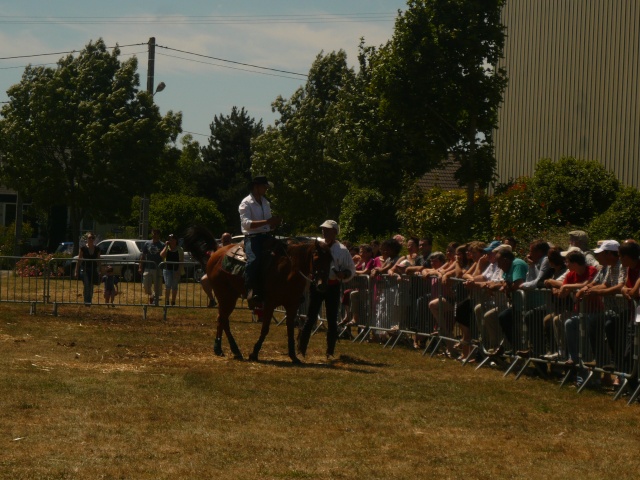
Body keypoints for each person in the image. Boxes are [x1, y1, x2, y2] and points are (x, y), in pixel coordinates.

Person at [298, 220, 356, 360]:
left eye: (328, 230)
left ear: (335, 232)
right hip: (317, 285)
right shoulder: (316, 245)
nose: (325, 232)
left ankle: (330, 352)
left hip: (333, 285)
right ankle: (301, 349)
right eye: (323, 229)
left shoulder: (342, 250)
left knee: (332, 320)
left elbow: (351, 269)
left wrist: (344, 274)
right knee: (310, 318)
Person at [238, 175, 282, 307]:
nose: (266, 189)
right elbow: (246, 224)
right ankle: (249, 288)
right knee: (254, 260)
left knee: (284, 252)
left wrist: (274, 223)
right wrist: (268, 222)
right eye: (264, 186)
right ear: (256, 187)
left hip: (266, 235)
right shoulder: (245, 203)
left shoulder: (265, 202)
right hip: (253, 237)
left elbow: (268, 223)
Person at [138, 228, 164, 305]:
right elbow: (143, 255)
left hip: (157, 268)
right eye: (152, 233)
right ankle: (152, 295)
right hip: (148, 267)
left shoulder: (162, 245)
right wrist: (140, 266)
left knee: (157, 285)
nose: (153, 235)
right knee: (145, 285)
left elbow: (163, 257)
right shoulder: (147, 243)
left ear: (158, 235)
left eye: (155, 233)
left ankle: (155, 300)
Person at [75, 232, 101, 306]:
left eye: (93, 238)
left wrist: (100, 270)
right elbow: (79, 260)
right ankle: (86, 302)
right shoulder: (83, 248)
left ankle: (89, 301)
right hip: (85, 269)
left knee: (91, 286)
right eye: (90, 238)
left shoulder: (97, 249)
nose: (91, 239)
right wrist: (76, 271)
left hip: (93, 269)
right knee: (87, 285)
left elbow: (99, 260)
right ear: (87, 239)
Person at [160, 234, 184, 306]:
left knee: (174, 286)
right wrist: (166, 246)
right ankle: (167, 301)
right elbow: (162, 255)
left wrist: (179, 271)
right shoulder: (167, 248)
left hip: (176, 270)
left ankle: (173, 301)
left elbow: (181, 261)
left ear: (176, 240)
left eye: (173, 239)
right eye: (170, 239)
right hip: (167, 269)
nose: (172, 241)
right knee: (167, 285)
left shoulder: (180, 249)